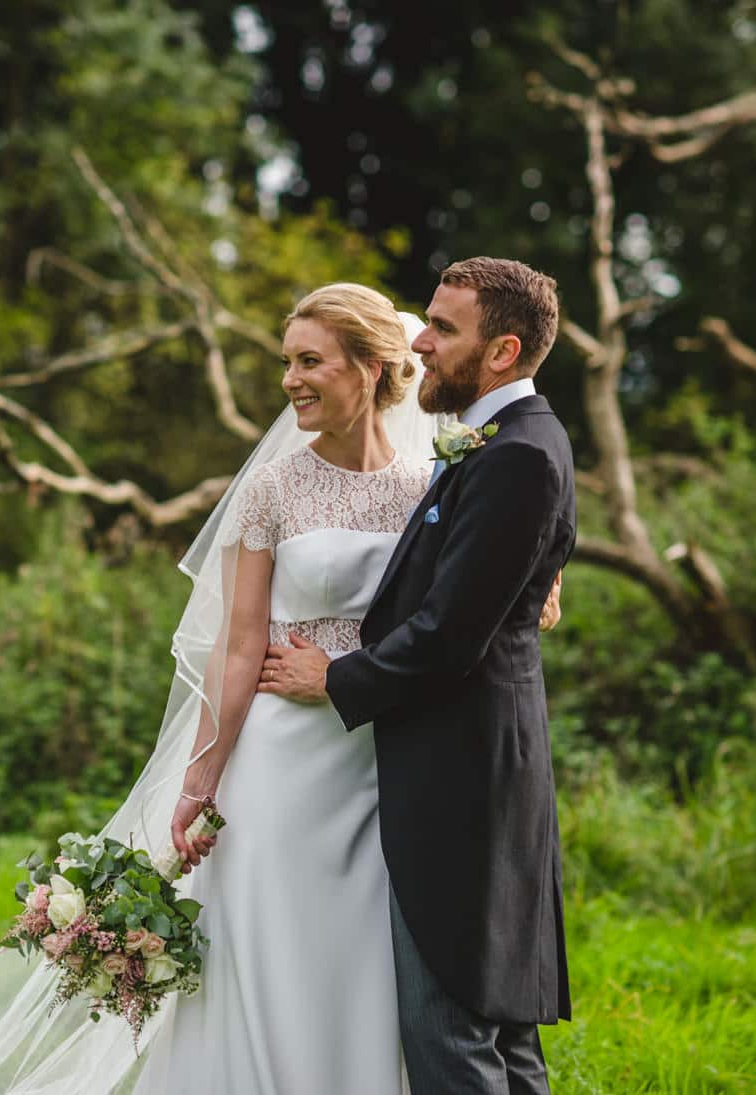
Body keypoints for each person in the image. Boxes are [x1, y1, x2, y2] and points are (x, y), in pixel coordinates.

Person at [0, 282, 436, 1095]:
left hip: (376, 765)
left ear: (374, 367)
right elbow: (240, 646)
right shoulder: (273, 487)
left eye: (310, 360)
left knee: (356, 960)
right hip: (278, 764)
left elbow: (456, 615)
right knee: (263, 952)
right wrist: (199, 778)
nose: (290, 380)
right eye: (286, 361)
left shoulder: (427, 489)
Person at [260, 257, 577, 1095]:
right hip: (464, 759)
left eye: (443, 328)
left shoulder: (519, 456)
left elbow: (445, 637)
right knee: (494, 1025)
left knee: (450, 1029)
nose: (422, 340)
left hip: (464, 770)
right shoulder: (494, 442)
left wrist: (336, 677)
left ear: (503, 351)